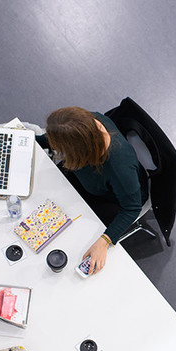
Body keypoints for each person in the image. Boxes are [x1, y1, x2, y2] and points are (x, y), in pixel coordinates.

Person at [38, 107, 148, 275]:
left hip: (112, 199)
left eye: (61, 147)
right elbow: (54, 137)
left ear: (78, 150)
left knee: (68, 235)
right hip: (88, 176)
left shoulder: (119, 166)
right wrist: (29, 140)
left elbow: (132, 208)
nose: (57, 149)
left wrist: (103, 242)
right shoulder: (87, 124)